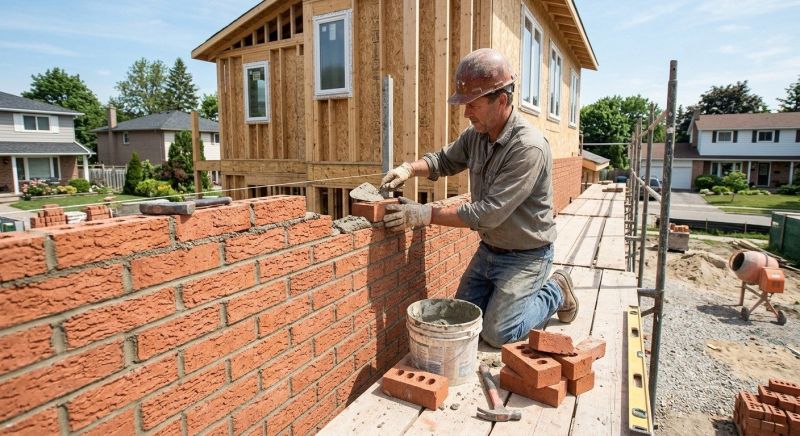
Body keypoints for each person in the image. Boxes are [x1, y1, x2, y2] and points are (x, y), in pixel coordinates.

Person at [380, 48, 578, 348]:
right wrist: (409, 169)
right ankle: (513, 299)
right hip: (490, 250)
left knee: (498, 333)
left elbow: (487, 213)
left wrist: (425, 214)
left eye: (472, 104)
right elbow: (443, 160)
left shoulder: (528, 148)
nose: (466, 113)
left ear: (501, 100)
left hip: (526, 256)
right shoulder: (477, 134)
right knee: (464, 320)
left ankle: (556, 291)